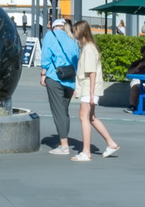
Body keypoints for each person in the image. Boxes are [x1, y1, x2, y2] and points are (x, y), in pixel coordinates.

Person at [69, 20, 118, 161]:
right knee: (91, 117)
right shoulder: (88, 47)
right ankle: (111, 143)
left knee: (84, 117)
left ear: (82, 31)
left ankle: (86, 152)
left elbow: (92, 73)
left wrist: (90, 93)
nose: (74, 33)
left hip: (89, 88)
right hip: (88, 88)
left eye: (76, 30)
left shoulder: (88, 48)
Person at [37, 15, 80, 155]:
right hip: (70, 79)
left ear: (54, 26)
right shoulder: (72, 38)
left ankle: (64, 145)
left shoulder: (51, 35)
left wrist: (43, 74)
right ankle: (63, 140)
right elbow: (77, 59)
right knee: (64, 111)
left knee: (58, 112)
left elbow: (46, 58)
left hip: (55, 77)